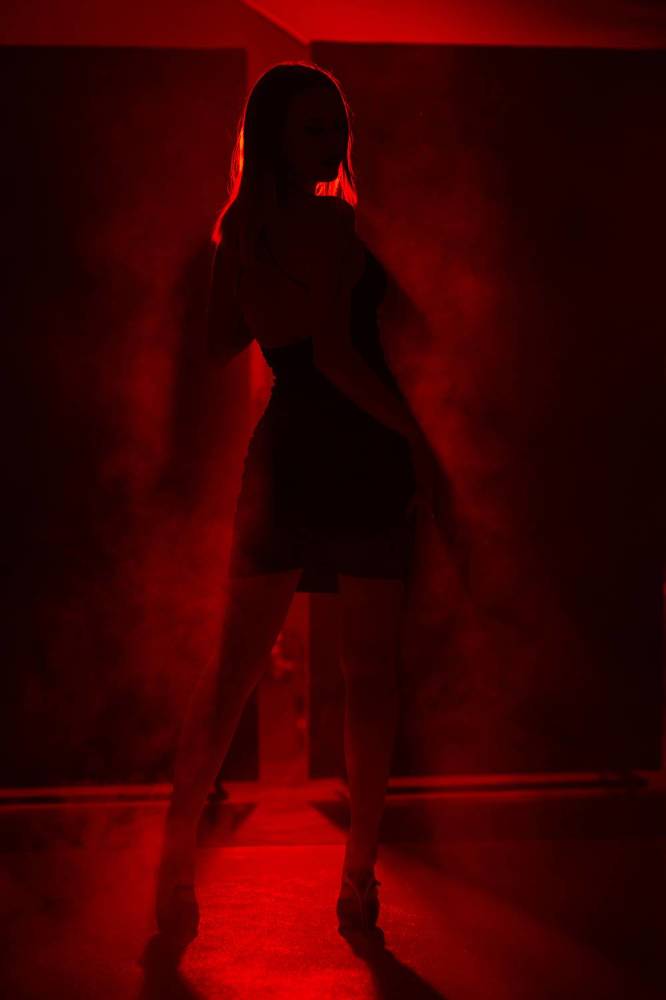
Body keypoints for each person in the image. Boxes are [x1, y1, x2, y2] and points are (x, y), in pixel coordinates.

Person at [154, 61, 453, 948]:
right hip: (345, 447)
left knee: (275, 672)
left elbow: (228, 341)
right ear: (275, 137)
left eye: (337, 126)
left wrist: (265, 281)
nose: (333, 143)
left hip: (304, 447)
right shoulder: (320, 223)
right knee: (328, 676)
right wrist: (416, 440)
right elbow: (333, 356)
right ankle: (346, 879)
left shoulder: (257, 227)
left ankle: (187, 869)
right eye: (315, 128)